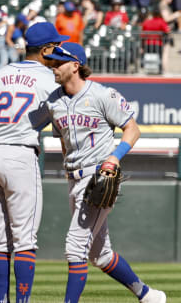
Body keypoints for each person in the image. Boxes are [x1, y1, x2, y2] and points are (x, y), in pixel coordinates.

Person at [35, 42, 166, 303]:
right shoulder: (53, 101)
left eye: (59, 62)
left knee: (75, 246)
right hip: (73, 178)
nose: (53, 66)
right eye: (52, 61)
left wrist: (113, 158)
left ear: (75, 65)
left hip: (97, 177)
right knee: (100, 255)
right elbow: (63, 141)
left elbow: (132, 129)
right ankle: (148, 295)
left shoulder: (103, 95)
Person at [0, 22, 69, 303]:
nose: (59, 50)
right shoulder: (50, 79)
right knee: (25, 241)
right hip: (20, 154)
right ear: (45, 49)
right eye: (55, 46)